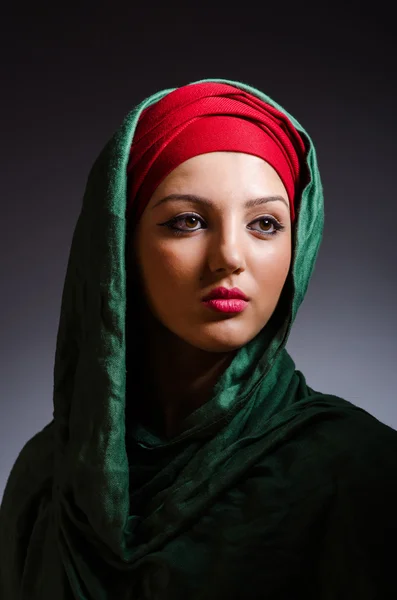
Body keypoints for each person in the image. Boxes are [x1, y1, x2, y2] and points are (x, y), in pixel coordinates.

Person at [0, 78, 396, 599]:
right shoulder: (46, 478)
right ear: (121, 246)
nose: (230, 255)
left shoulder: (364, 474)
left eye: (265, 224)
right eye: (187, 221)